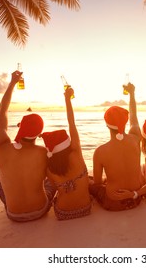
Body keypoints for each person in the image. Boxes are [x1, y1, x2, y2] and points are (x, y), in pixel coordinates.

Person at [0, 70, 56, 222]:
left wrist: (12, 83)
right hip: (41, 210)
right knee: (49, 179)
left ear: (21, 127)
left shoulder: (1, 146)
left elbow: (2, 111)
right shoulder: (43, 151)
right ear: (39, 133)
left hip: (14, 215)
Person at [89, 82, 144, 211]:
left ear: (107, 125)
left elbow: (97, 183)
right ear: (125, 122)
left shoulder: (100, 152)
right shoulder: (136, 138)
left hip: (114, 202)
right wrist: (131, 93)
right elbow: (134, 116)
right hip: (136, 198)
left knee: (88, 181)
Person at [41, 86, 92, 220]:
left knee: (50, 186)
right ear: (67, 143)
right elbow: (71, 123)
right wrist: (67, 99)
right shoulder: (76, 154)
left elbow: (53, 186)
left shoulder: (49, 168)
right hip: (86, 209)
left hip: (63, 213)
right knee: (89, 180)